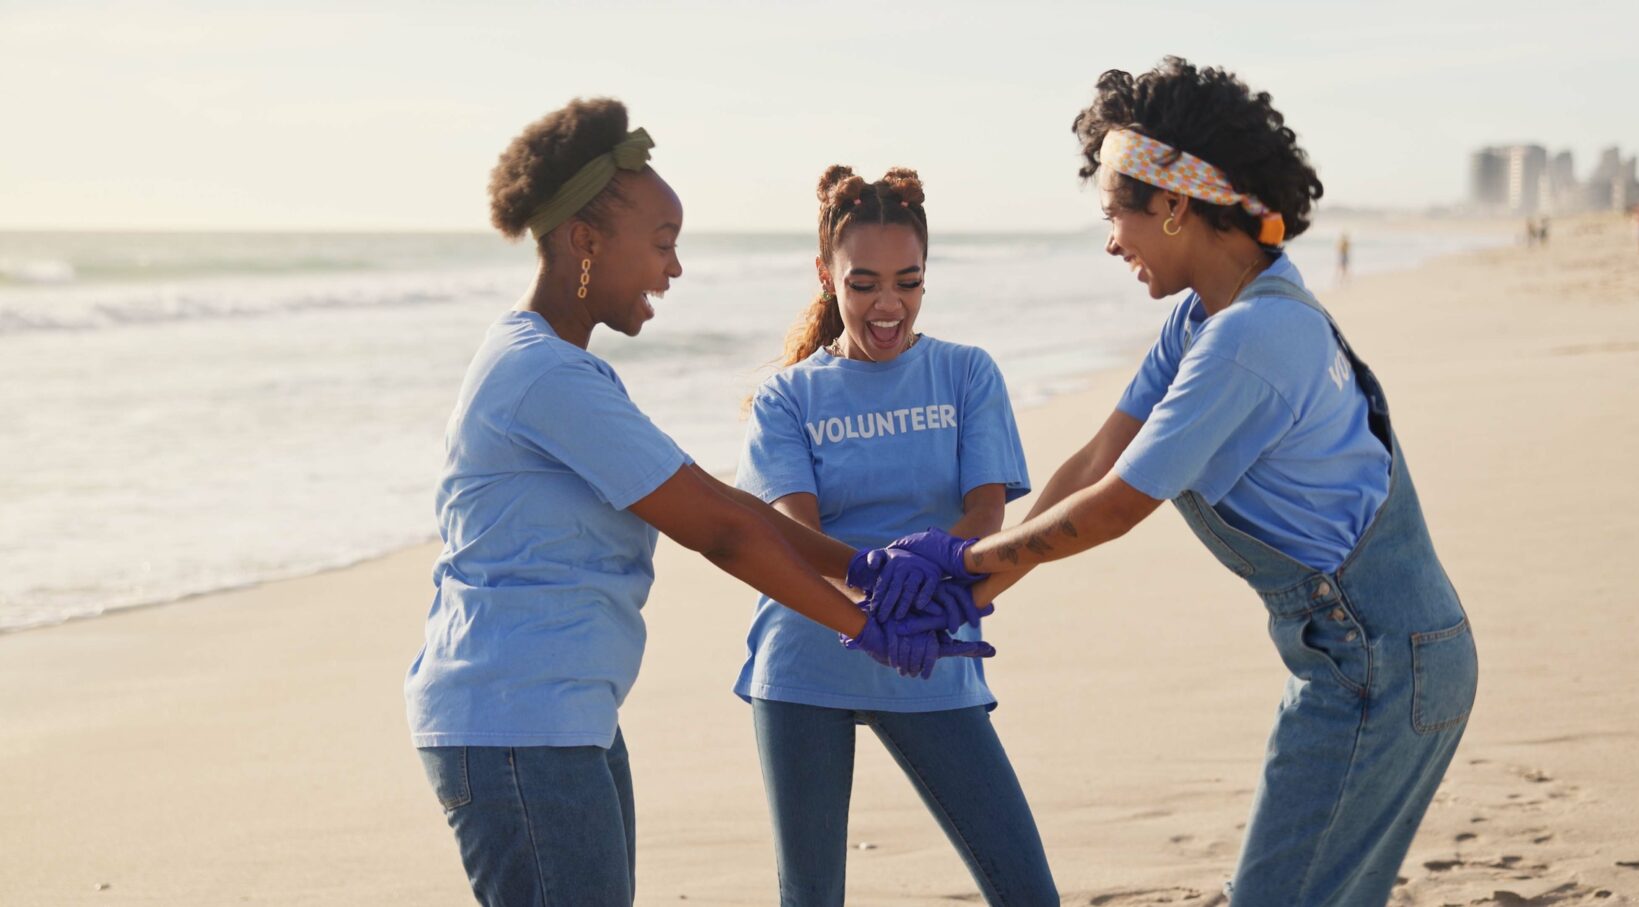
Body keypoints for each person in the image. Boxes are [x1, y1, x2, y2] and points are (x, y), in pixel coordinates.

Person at [869, 59, 1478, 906]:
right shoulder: (1213, 313)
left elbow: (1115, 509)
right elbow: (1094, 463)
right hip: (1383, 655)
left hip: (1377, 664)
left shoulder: (1247, 340)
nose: (1111, 240)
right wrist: (966, 588)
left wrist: (952, 573)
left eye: (1116, 214)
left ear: (1174, 206)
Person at [402, 98, 988, 907]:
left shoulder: (557, 367)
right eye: (663, 244)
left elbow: (729, 510)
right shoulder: (545, 376)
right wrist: (870, 623)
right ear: (585, 241)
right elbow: (717, 531)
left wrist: (871, 568)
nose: (673, 269)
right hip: (517, 724)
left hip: (560, 716)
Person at [733, 166, 1058, 906]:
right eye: (864, 283)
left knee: (1029, 893)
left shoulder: (966, 373)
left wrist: (917, 586)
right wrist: (876, 578)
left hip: (929, 649)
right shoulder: (788, 395)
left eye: (908, 282)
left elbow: (984, 517)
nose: (888, 304)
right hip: (807, 655)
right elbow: (792, 536)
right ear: (825, 275)